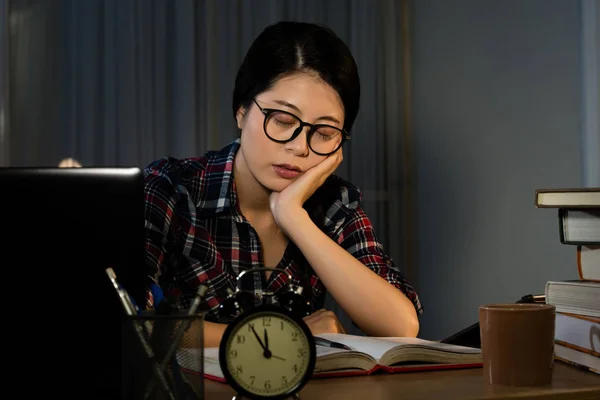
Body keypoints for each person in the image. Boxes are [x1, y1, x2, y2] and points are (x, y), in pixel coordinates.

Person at [143, 21, 422, 347]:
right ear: (242, 111)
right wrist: (286, 335)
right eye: (283, 121)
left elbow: (401, 324)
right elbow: (129, 322)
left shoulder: (332, 204)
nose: (300, 148)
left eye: (325, 133)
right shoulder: (169, 189)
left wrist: (292, 216)